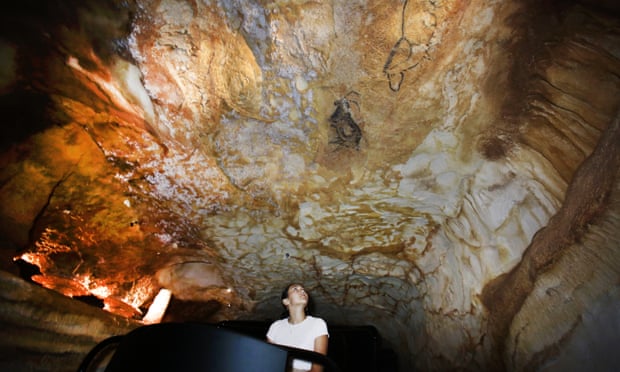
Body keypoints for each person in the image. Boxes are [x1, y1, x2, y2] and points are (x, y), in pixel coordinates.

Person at [266, 283, 329, 372]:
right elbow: (269, 362)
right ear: (286, 301)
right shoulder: (276, 327)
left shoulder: (318, 324)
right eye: (295, 289)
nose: (302, 291)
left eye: (303, 289)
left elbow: (317, 368)